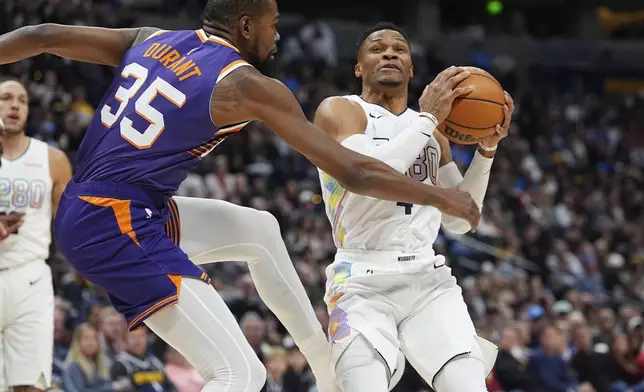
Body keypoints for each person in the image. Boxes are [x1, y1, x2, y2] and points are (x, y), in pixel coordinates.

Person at [0, 1, 479, 390]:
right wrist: (439, 194)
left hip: (113, 207)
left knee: (259, 229)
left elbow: (40, 36)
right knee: (240, 375)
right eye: (272, 24)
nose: (277, 35)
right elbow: (353, 172)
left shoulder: (154, 39)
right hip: (115, 221)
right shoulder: (247, 84)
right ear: (247, 25)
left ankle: (323, 365)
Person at [314, 22, 512, 392]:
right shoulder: (340, 111)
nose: (389, 52)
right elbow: (369, 176)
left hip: (427, 278)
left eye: (399, 49)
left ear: (412, 69)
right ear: (358, 67)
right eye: (376, 48)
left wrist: (487, 150)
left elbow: (459, 221)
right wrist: (429, 118)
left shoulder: (433, 132)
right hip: (360, 279)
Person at [0, 80, 73, 392]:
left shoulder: (53, 160)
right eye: (5, 98)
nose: (15, 105)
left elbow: (70, 225)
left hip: (30, 278)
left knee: (30, 386)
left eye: (22, 100)